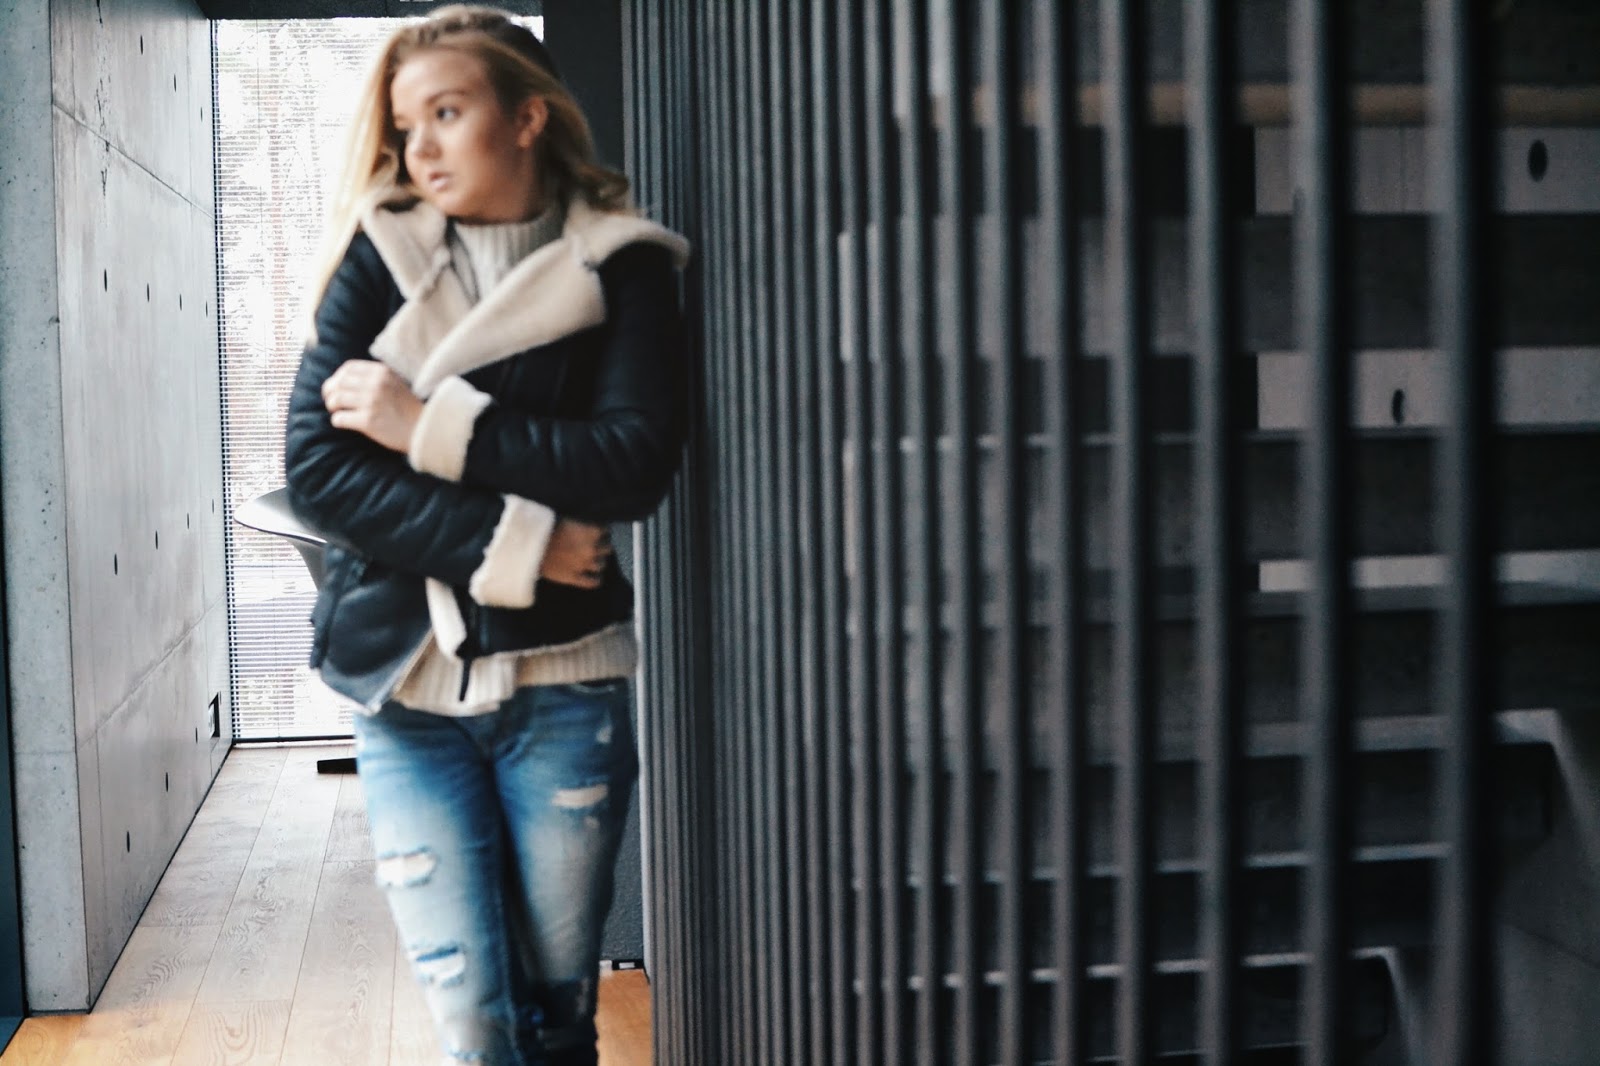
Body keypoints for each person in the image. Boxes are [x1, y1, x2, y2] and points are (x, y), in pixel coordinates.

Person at [282, 7, 688, 1064]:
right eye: (405, 124)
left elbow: (631, 461)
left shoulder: (623, 266)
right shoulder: (380, 255)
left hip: (566, 688)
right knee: (472, 1025)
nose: (419, 147)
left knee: (555, 1015)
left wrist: (426, 426)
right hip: (404, 689)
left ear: (527, 118)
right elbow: (320, 470)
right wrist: (519, 547)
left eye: (448, 113)